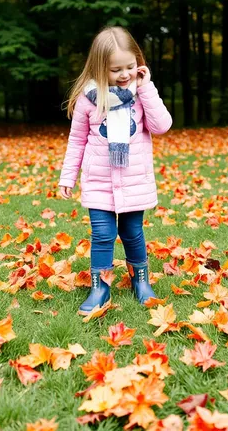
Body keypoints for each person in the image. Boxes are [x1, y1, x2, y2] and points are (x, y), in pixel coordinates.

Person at [58, 26, 172, 315]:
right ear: (99, 69)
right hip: (99, 180)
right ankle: (101, 287)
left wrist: (147, 88)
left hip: (133, 181)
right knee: (102, 234)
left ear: (138, 63)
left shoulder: (140, 95)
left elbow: (162, 126)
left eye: (130, 67)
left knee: (132, 232)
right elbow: (77, 141)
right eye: (115, 69)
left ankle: (141, 281)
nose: (124, 75)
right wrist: (67, 177)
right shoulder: (88, 99)